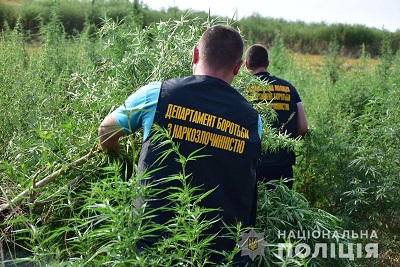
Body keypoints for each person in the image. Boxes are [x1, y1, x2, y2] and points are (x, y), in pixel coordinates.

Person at [98, 25, 262, 266]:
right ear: (238, 68)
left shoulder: (158, 94)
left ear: (195, 54)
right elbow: (250, 186)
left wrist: (122, 161)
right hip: (224, 253)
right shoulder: (252, 119)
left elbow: (105, 131)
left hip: (156, 247)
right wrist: (251, 257)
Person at [245, 44, 308, 189]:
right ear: (267, 63)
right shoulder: (289, 88)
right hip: (283, 165)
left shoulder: (242, 89)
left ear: (246, 65)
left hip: (251, 164)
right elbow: (303, 128)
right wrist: (283, 147)